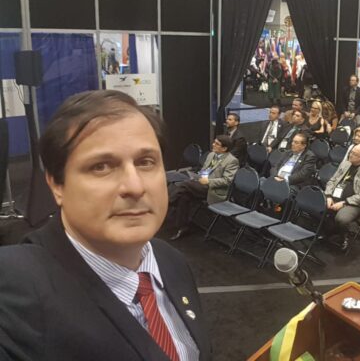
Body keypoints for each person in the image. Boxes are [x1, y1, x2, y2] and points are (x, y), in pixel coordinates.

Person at [0, 90, 211, 360]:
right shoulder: (15, 286)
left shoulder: (171, 261)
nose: (135, 187)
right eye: (101, 166)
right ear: (56, 185)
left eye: (145, 162)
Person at [170, 135, 239, 240]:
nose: (213, 144)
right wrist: (199, 176)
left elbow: (227, 181)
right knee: (184, 196)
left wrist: (208, 181)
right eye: (214, 142)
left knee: (185, 184)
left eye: (217, 144)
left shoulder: (232, 161)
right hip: (202, 185)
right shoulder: (211, 155)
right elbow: (205, 170)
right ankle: (183, 227)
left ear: (224, 148)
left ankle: (168, 203)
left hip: (215, 190)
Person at [324, 144, 360, 251]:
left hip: (353, 203)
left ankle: (343, 237)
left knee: (342, 218)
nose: (350, 154)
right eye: (351, 152)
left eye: (354, 154)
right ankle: (328, 231)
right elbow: (332, 180)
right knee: (316, 205)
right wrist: (329, 196)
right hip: (334, 197)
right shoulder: (345, 164)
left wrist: (344, 202)